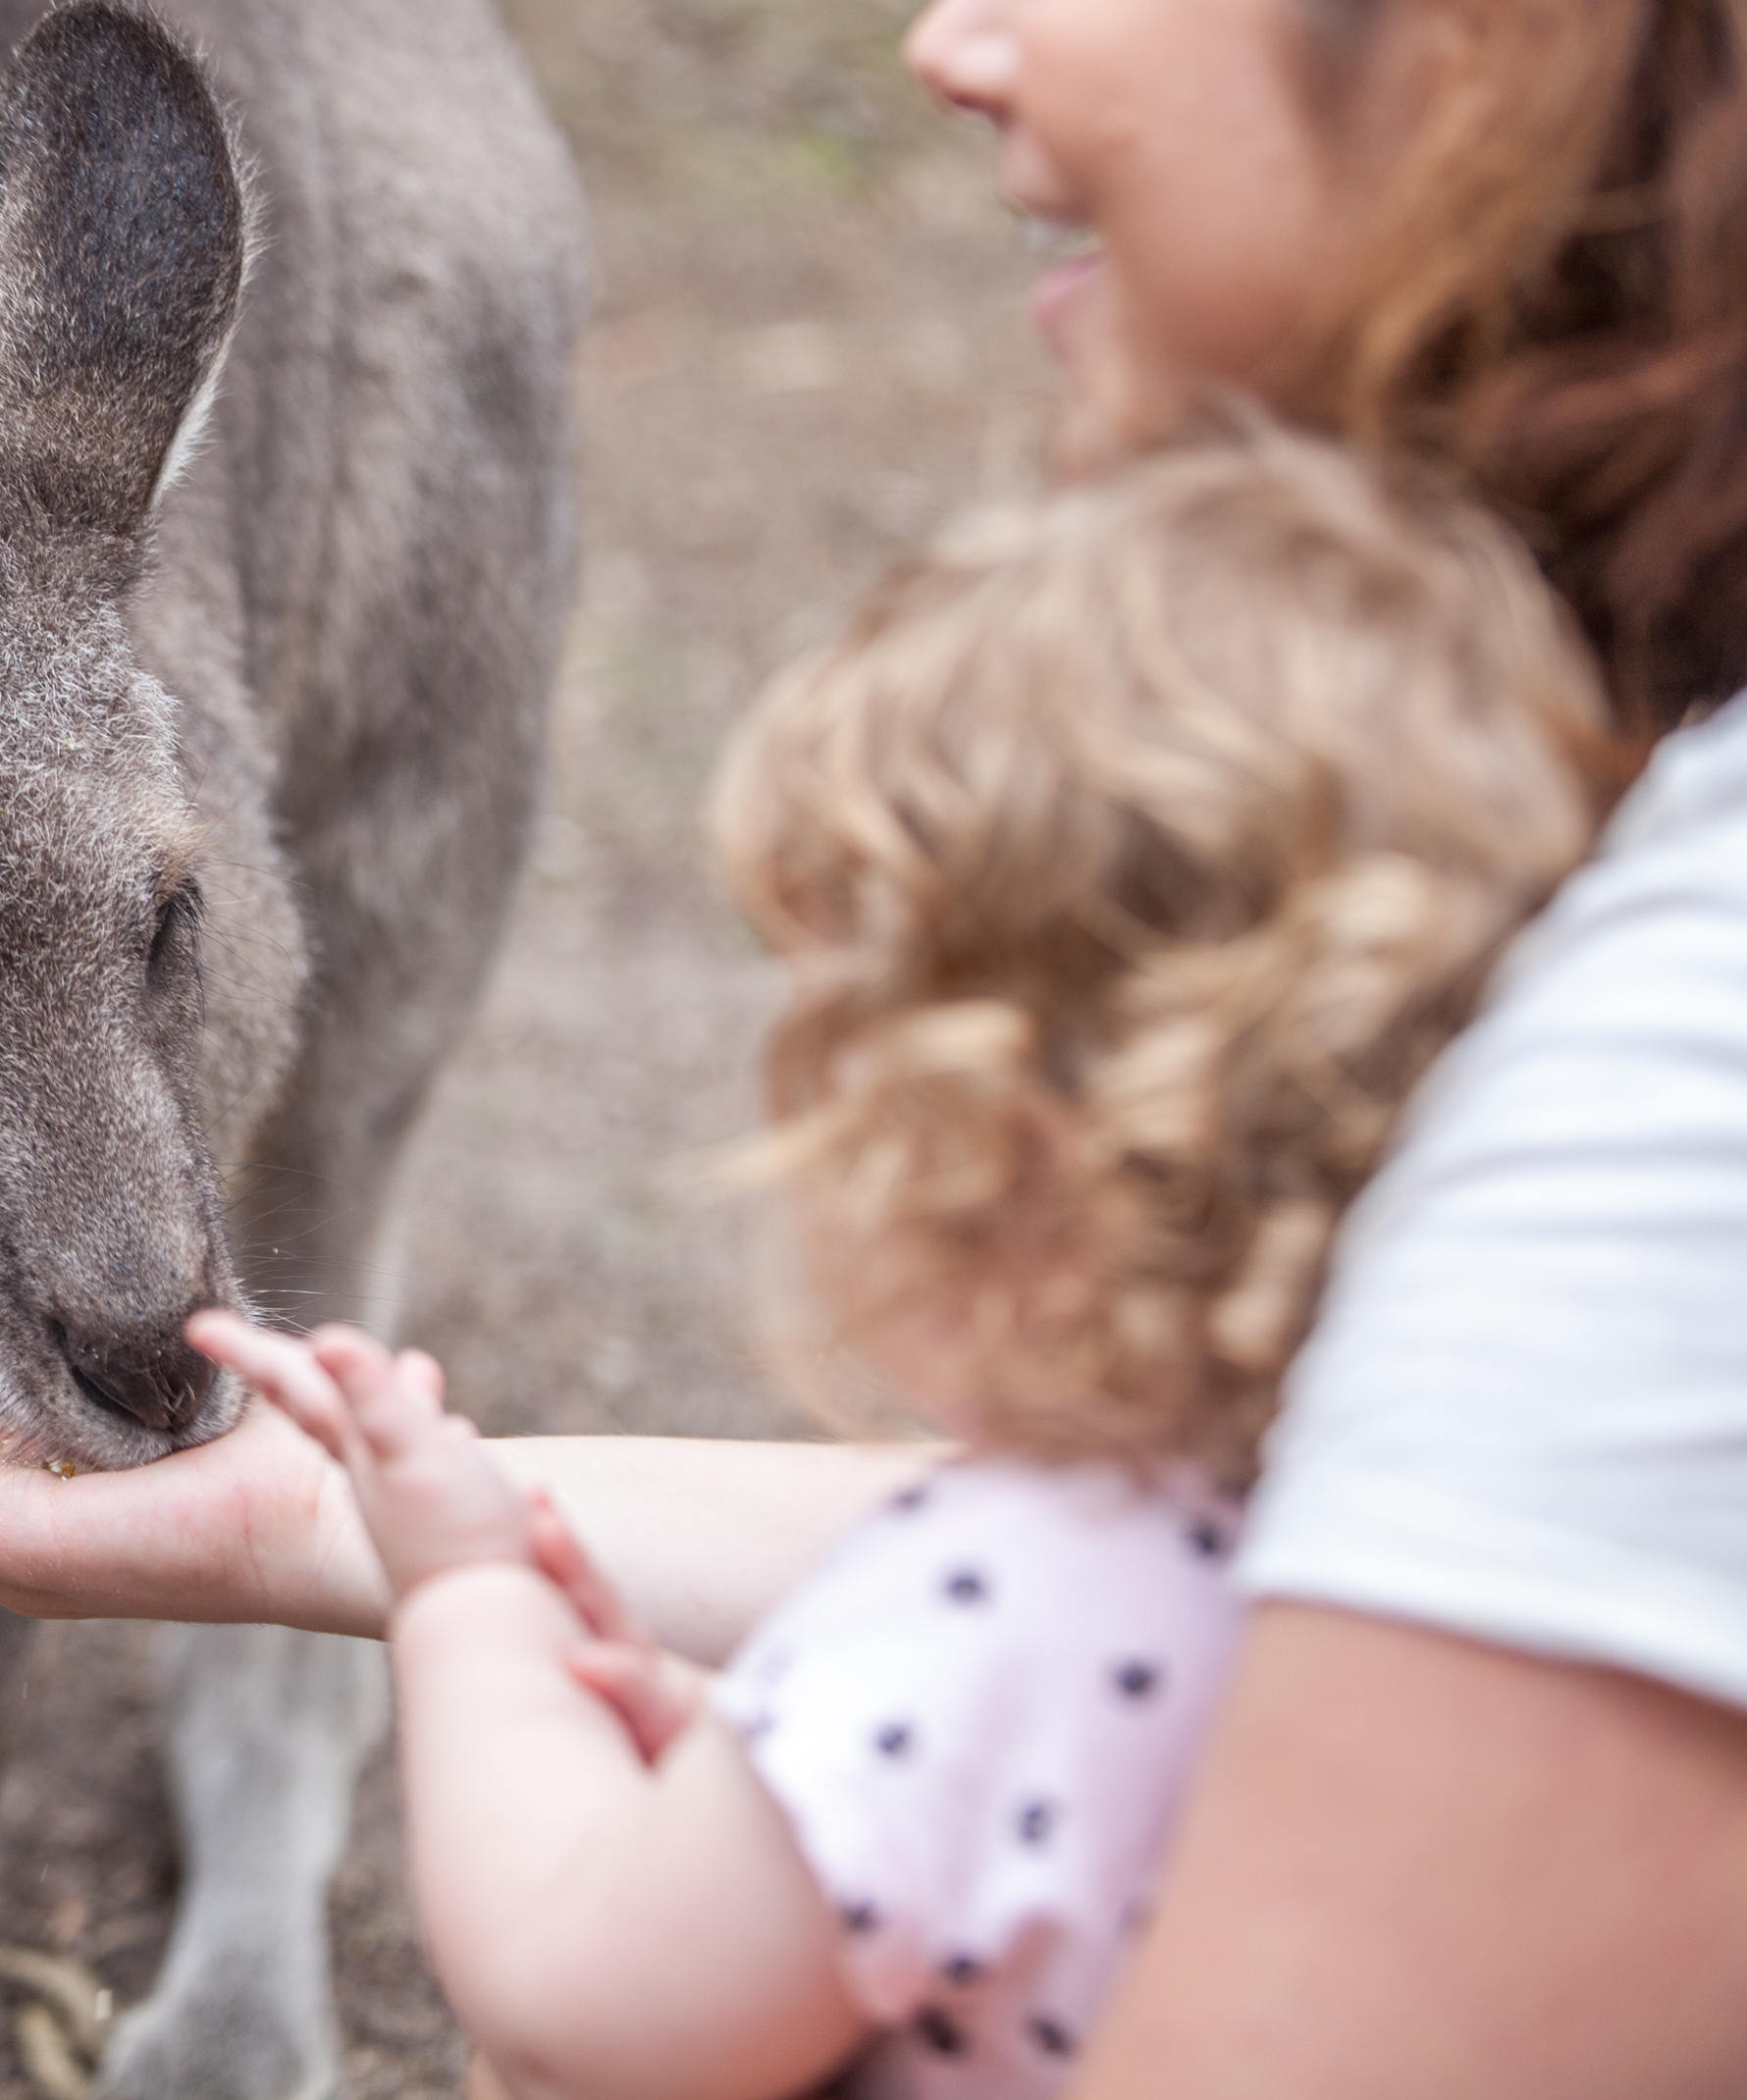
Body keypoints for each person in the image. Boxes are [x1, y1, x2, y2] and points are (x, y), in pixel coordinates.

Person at [0, 0, 1747, 2089]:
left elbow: (586, 1980)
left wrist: (475, 1619)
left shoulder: (1671, 1071)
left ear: (1503, 11)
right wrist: (336, 1526)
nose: (942, 26)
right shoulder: (1175, 1549)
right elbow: (1302, 1555)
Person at [190, 434, 1612, 2099]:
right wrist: (747, 1756)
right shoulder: (1405, 1556)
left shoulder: (989, 1605)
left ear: (995, 1151)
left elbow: (580, 1984)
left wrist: (464, 1604)